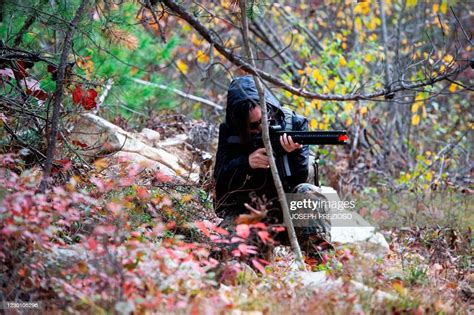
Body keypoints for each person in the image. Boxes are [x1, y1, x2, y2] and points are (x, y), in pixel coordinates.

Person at [213, 76, 331, 257]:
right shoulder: (229, 132)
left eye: (265, 119)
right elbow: (220, 182)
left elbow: (299, 180)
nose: (262, 128)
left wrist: (292, 153)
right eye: (253, 126)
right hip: (249, 213)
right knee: (223, 255)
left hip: (287, 215)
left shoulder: (293, 124)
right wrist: (246, 163)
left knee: (307, 192)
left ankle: (321, 265)